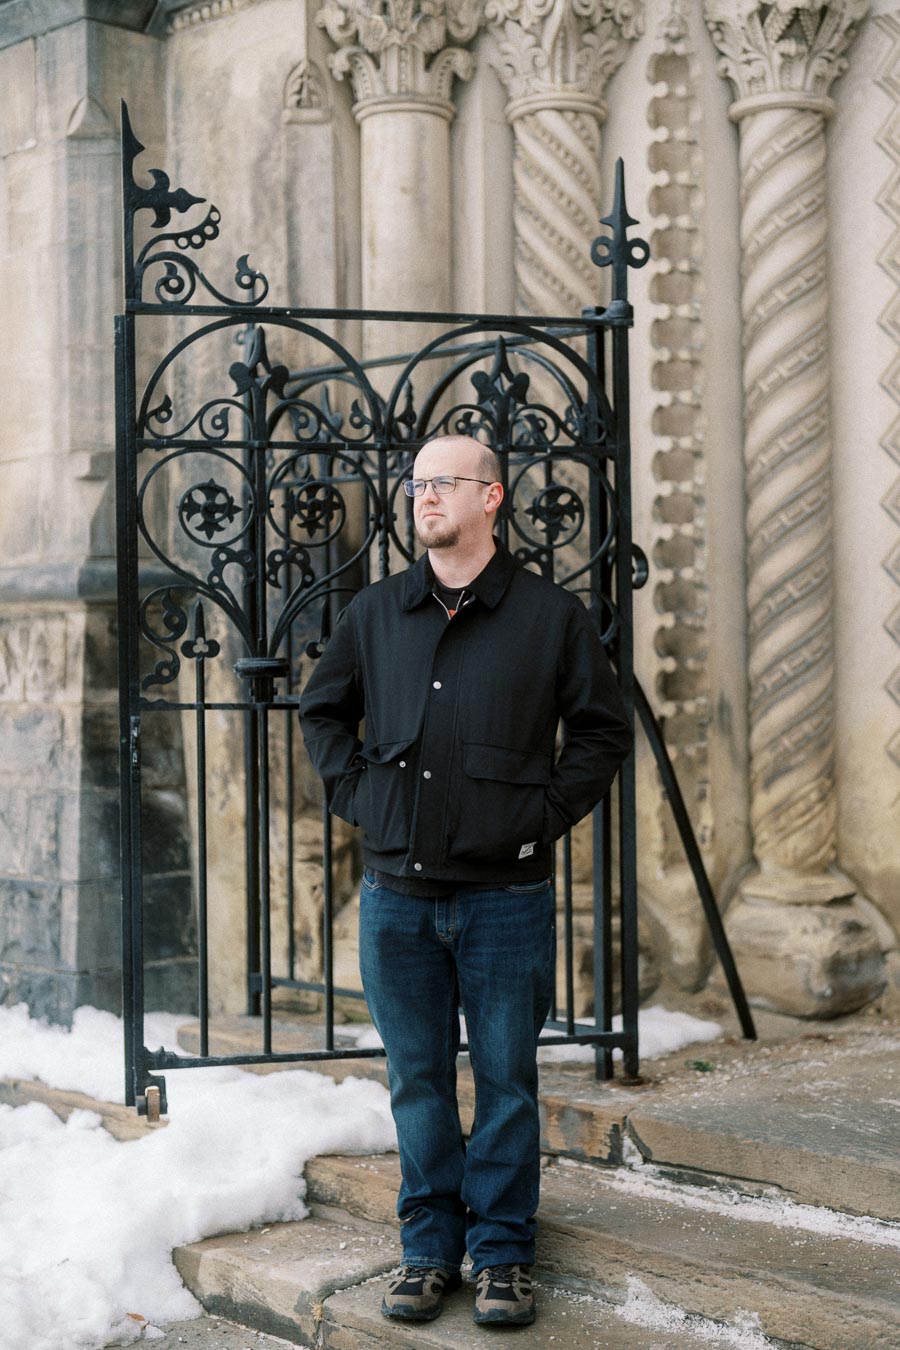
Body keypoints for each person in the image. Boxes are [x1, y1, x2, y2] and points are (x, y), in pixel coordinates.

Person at [299, 434, 632, 1327]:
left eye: (442, 484)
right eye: (416, 486)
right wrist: (360, 797)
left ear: (491, 497)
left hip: (505, 900)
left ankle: (504, 1254)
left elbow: (602, 732)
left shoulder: (549, 618)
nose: (423, 498)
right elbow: (322, 712)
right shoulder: (377, 612)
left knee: (506, 1078)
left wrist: (540, 816)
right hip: (395, 897)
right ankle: (427, 1246)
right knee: (416, 1079)